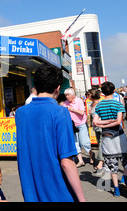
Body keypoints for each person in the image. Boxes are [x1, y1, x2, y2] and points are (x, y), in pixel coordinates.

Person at [15, 64, 85, 202]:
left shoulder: (20, 113)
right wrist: (82, 198)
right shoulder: (60, 112)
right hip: (58, 193)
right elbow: (66, 162)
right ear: (58, 88)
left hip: (31, 193)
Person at [93, 81, 127, 197]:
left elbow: (95, 122)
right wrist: (111, 121)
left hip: (106, 136)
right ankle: (124, 179)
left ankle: (116, 189)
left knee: (112, 164)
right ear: (114, 90)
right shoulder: (118, 105)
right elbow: (118, 121)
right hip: (119, 135)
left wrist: (104, 125)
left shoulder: (99, 105)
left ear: (103, 92)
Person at [64, 88, 95, 167]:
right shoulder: (65, 103)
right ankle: (81, 161)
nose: (67, 97)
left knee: (84, 142)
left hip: (81, 124)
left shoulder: (79, 101)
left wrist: (72, 109)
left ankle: (92, 155)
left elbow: (81, 112)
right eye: (66, 95)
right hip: (72, 125)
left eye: (68, 95)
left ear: (73, 95)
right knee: (75, 143)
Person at [88, 89, 104, 173]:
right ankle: (104, 160)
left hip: (101, 126)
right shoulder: (92, 104)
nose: (88, 96)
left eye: (89, 94)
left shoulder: (100, 104)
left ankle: (101, 162)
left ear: (93, 95)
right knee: (99, 143)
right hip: (95, 127)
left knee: (101, 143)